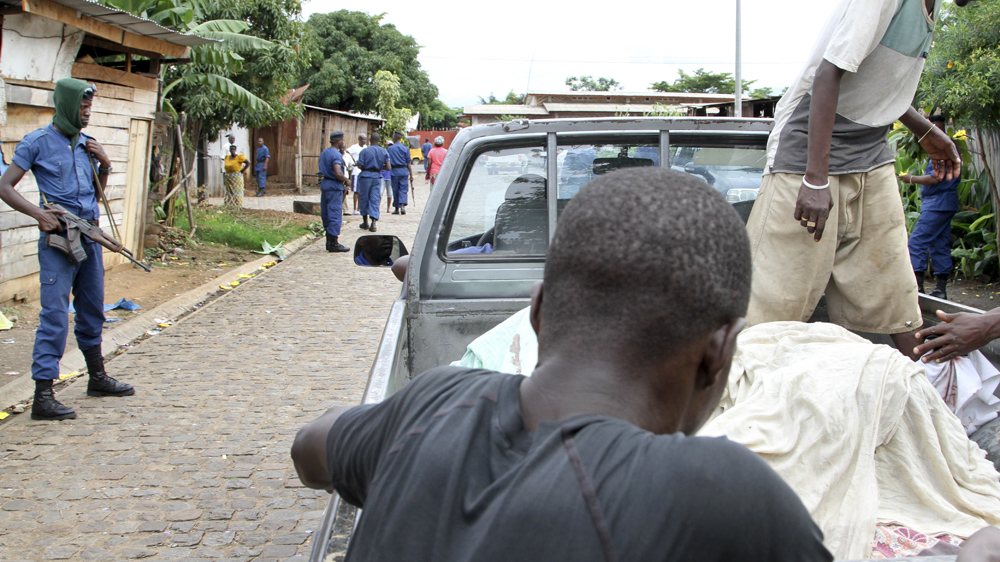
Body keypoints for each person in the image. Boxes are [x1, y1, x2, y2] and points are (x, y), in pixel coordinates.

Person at [291, 168, 832, 562]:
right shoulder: (724, 496)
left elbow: (309, 448)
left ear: (538, 312)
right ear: (719, 353)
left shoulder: (433, 400)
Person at [743, 0, 976, 361]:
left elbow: (878, 86)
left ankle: (927, 386)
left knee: (894, 293)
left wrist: (927, 130)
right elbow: (828, 74)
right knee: (770, 309)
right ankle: (730, 392)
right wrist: (815, 179)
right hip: (810, 154)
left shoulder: (931, 7)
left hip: (871, 152)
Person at [0, 78, 135, 421]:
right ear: (66, 105)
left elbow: (95, 194)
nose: (87, 113)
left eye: (90, 107)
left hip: (89, 236)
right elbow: (5, 186)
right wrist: (39, 214)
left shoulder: (88, 144)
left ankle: (97, 378)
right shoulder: (37, 142)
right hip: (58, 241)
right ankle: (43, 396)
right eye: (82, 107)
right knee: (55, 316)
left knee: (92, 310)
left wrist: (105, 166)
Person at [902, 114, 961, 300]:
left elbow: (936, 178)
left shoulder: (942, 148)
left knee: (916, 242)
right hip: (943, 203)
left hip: (938, 203)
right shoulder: (947, 146)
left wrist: (910, 178)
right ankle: (940, 290)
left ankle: (918, 288)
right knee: (939, 244)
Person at [318, 131, 350, 253]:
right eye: (342, 140)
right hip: (334, 186)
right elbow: (338, 172)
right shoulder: (336, 155)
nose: (343, 142)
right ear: (338, 141)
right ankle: (334, 243)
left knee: (326, 213)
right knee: (335, 213)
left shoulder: (325, 153)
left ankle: (328, 241)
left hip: (325, 184)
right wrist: (346, 180)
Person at [356, 132, 389, 232]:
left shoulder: (364, 151)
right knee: (375, 199)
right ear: (379, 140)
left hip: (365, 176)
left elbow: (360, 165)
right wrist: (379, 167)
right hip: (377, 177)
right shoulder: (383, 151)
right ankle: (373, 223)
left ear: (370, 140)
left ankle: (365, 222)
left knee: (364, 198)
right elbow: (388, 167)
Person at [387, 131, 413, 215]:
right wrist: (411, 174)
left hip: (394, 171)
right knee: (403, 189)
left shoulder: (390, 149)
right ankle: (402, 206)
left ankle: (396, 208)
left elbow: (388, 161)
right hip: (404, 171)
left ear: (395, 137)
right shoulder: (405, 148)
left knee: (395, 189)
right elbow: (408, 162)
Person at [222, 144, 249, 208]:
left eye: (234, 149)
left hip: (236, 177)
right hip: (228, 177)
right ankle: (229, 205)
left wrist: (242, 170)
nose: (232, 150)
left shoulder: (239, 157)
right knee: (229, 192)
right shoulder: (227, 157)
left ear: (236, 150)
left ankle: (238, 205)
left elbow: (248, 162)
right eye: (231, 149)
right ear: (229, 150)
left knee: (237, 192)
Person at [346, 134, 367, 216]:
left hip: (363, 171)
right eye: (364, 139)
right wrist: (353, 161)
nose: (365, 141)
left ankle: (359, 208)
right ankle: (355, 209)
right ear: (360, 139)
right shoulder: (354, 147)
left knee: (361, 191)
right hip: (356, 172)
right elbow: (347, 152)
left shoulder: (366, 148)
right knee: (356, 191)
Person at [381, 144, 393, 214]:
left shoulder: (393, 155)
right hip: (382, 175)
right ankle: (377, 207)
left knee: (390, 194)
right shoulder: (383, 154)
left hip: (390, 176)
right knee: (380, 193)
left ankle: (388, 208)